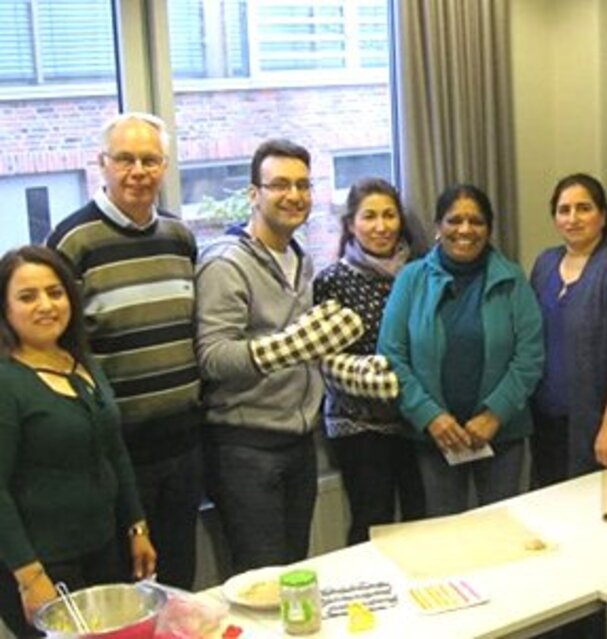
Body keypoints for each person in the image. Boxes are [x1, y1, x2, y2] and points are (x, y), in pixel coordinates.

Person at [45, 113, 202, 590]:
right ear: (102, 164)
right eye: (125, 159)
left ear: (165, 166)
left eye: (150, 159)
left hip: (183, 444)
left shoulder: (180, 237)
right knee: (123, 591)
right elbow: (55, 346)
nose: (138, 170)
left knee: (179, 585)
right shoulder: (73, 241)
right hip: (116, 453)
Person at [196, 139, 366, 572]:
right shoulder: (225, 263)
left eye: (303, 185)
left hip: (298, 443)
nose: (294, 196)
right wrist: (289, 347)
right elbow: (213, 358)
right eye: (280, 185)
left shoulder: (299, 258)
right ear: (254, 194)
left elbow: (309, 351)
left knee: (293, 573)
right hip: (246, 449)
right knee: (261, 580)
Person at [0, 246, 156, 637]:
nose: (46, 305)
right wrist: (30, 576)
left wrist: (136, 528)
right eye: (27, 296)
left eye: (55, 292)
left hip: (103, 548)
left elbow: (114, 450)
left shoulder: (79, 362)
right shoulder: (6, 381)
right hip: (43, 564)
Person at [379, 185, 543, 517]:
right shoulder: (411, 279)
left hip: (503, 435)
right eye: (454, 220)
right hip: (436, 438)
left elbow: (531, 356)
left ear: (489, 228)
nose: (465, 230)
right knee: (445, 536)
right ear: (437, 227)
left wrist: (494, 414)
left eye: (476, 221)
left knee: (502, 532)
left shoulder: (512, 279)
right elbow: (391, 356)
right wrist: (430, 417)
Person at [313, 178, 427, 544]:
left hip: (416, 419)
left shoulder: (422, 272)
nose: (381, 226)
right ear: (351, 225)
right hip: (358, 425)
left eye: (389, 215)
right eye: (369, 216)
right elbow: (327, 360)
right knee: (372, 518)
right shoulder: (332, 280)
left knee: (420, 517)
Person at [529, 174, 607, 486]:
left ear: (602, 215)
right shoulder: (544, 264)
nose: (573, 218)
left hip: (595, 423)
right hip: (545, 421)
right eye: (564, 209)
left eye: (583, 208)